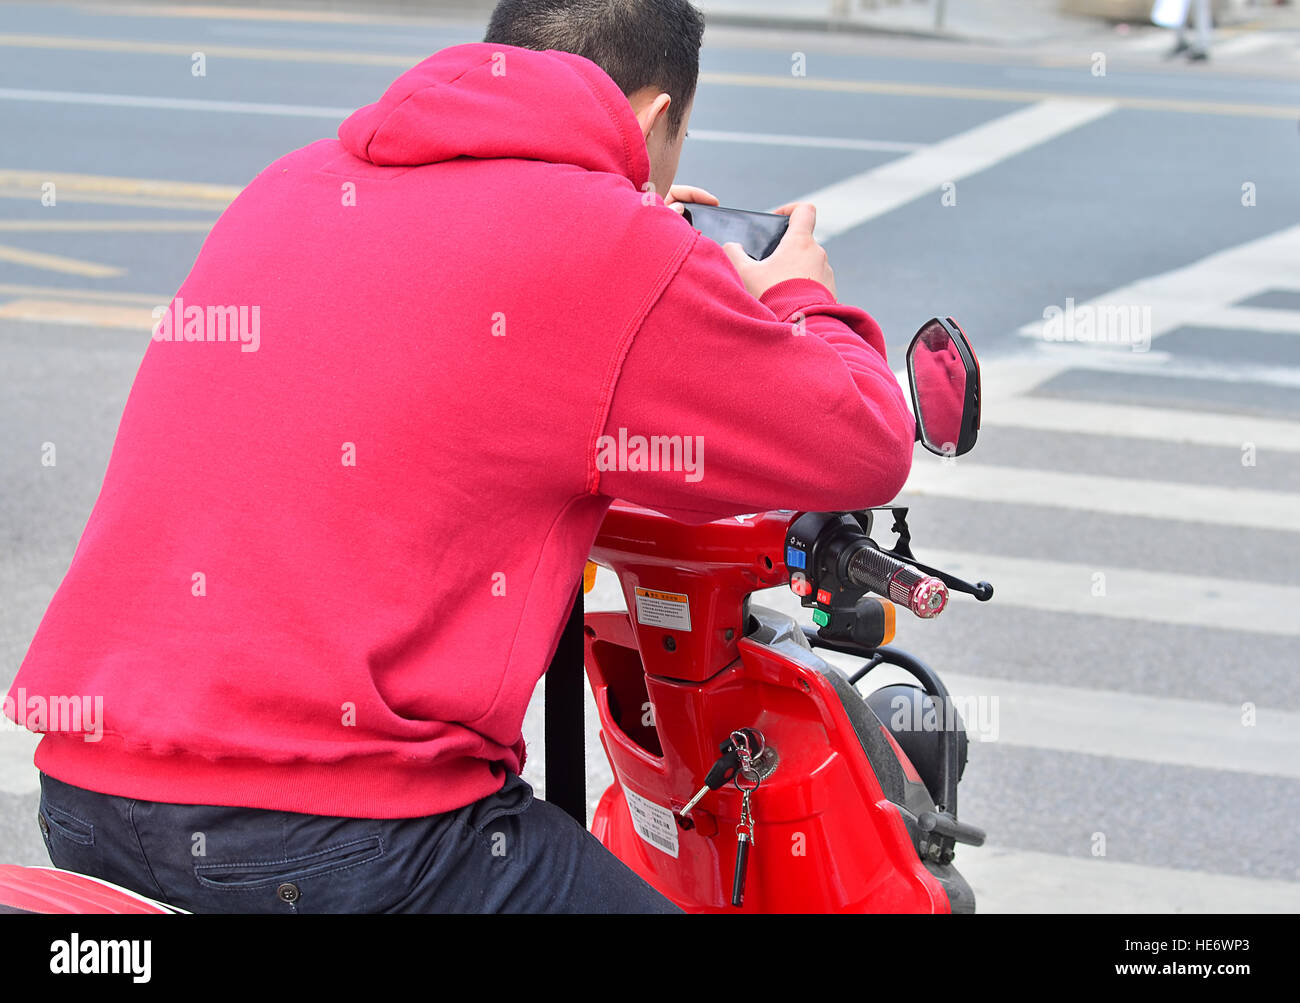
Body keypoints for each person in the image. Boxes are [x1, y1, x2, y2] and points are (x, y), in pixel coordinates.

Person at [4, 0, 915, 913]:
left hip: (87, 797)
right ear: (653, 120)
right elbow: (865, 440)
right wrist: (798, 292)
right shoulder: (609, 244)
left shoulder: (290, 182)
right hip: (342, 838)